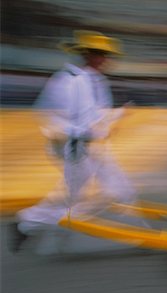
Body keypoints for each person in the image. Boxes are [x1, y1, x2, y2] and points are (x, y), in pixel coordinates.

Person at [9, 30, 137, 252]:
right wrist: (82, 133)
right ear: (87, 55)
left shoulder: (94, 80)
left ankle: (133, 233)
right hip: (75, 146)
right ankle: (27, 223)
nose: (106, 60)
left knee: (119, 188)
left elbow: (95, 115)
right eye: (101, 55)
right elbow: (53, 115)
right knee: (74, 196)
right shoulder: (69, 81)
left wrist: (117, 115)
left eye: (107, 55)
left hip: (93, 146)